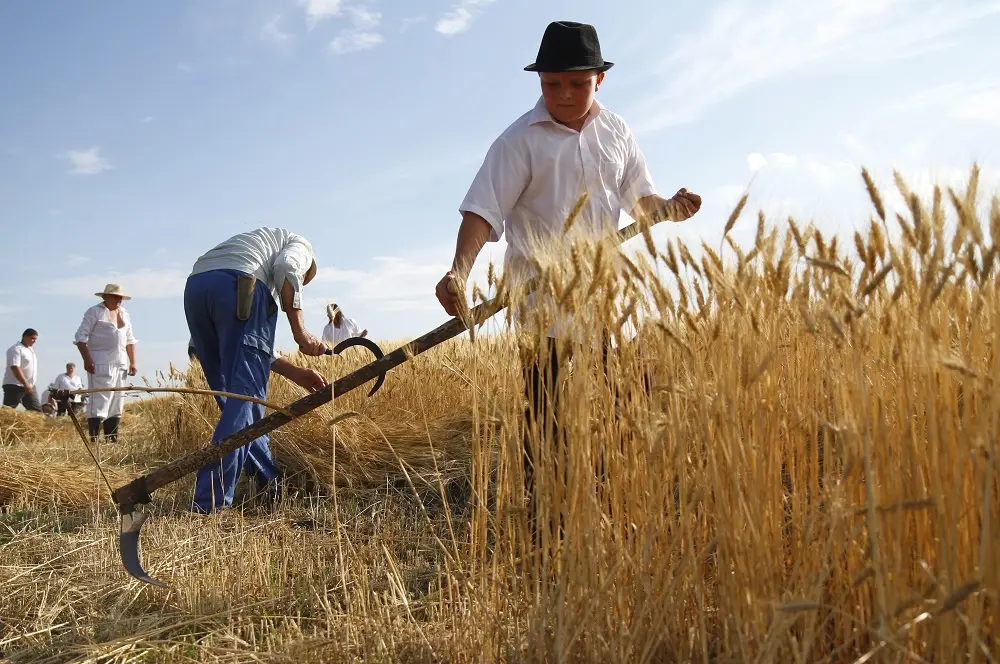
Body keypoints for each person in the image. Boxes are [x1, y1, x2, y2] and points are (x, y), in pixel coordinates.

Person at [433, 21, 702, 534]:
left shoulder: (618, 131)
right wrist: (458, 271)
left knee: (629, 398)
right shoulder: (518, 141)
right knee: (545, 411)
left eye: (576, 83)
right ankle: (545, 520)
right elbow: (482, 211)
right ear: (540, 82)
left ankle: (616, 499)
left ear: (599, 79)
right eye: (552, 84)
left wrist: (668, 208)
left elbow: (640, 201)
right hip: (541, 300)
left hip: (605, 295)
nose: (563, 94)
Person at [184, 227, 330, 513]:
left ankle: (269, 481)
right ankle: (209, 502)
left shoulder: (255, 244)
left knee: (236, 403)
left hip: (197, 287)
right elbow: (288, 269)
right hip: (241, 284)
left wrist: (296, 373)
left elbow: (253, 349)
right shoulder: (300, 245)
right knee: (245, 399)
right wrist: (301, 332)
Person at [75, 284, 138, 442]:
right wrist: (87, 359)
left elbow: (130, 340)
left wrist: (132, 362)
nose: (118, 299)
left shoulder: (125, 314)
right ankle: (94, 439)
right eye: (115, 296)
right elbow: (80, 337)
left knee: (117, 400)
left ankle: (112, 439)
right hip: (101, 363)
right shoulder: (94, 312)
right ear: (105, 297)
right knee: (100, 400)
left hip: (120, 363)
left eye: (120, 297)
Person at [3, 329, 41, 411]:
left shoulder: (30, 350)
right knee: (8, 412)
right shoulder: (16, 349)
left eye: (35, 339)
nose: (34, 341)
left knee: (36, 412)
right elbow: (15, 367)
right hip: (14, 385)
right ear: (25, 337)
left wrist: (28, 385)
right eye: (32, 338)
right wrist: (25, 383)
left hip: (29, 386)